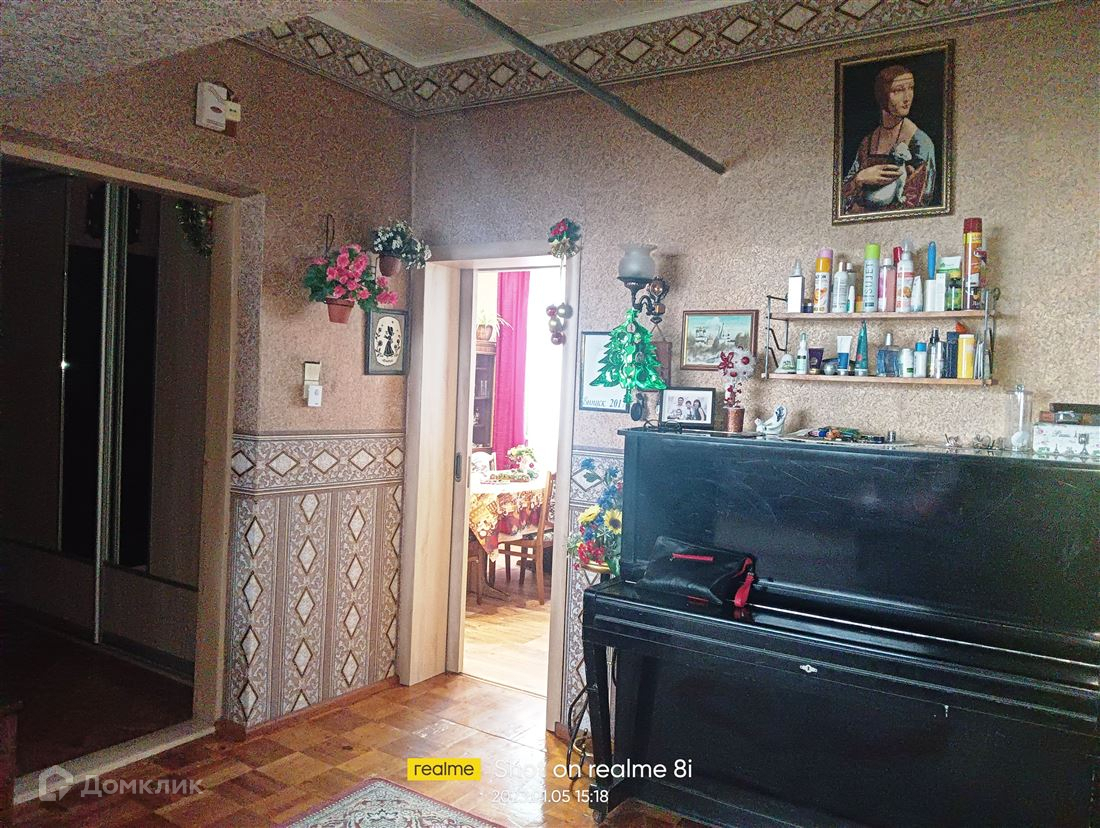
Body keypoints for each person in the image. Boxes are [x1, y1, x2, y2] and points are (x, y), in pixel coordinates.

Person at [842, 64, 936, 214]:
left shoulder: (920, 142)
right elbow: (841, 198)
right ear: (882, 95)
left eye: (911, 88)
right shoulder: (867, 142)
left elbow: (918, 202)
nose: (907, 98)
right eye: (898, 90)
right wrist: (860, 178)